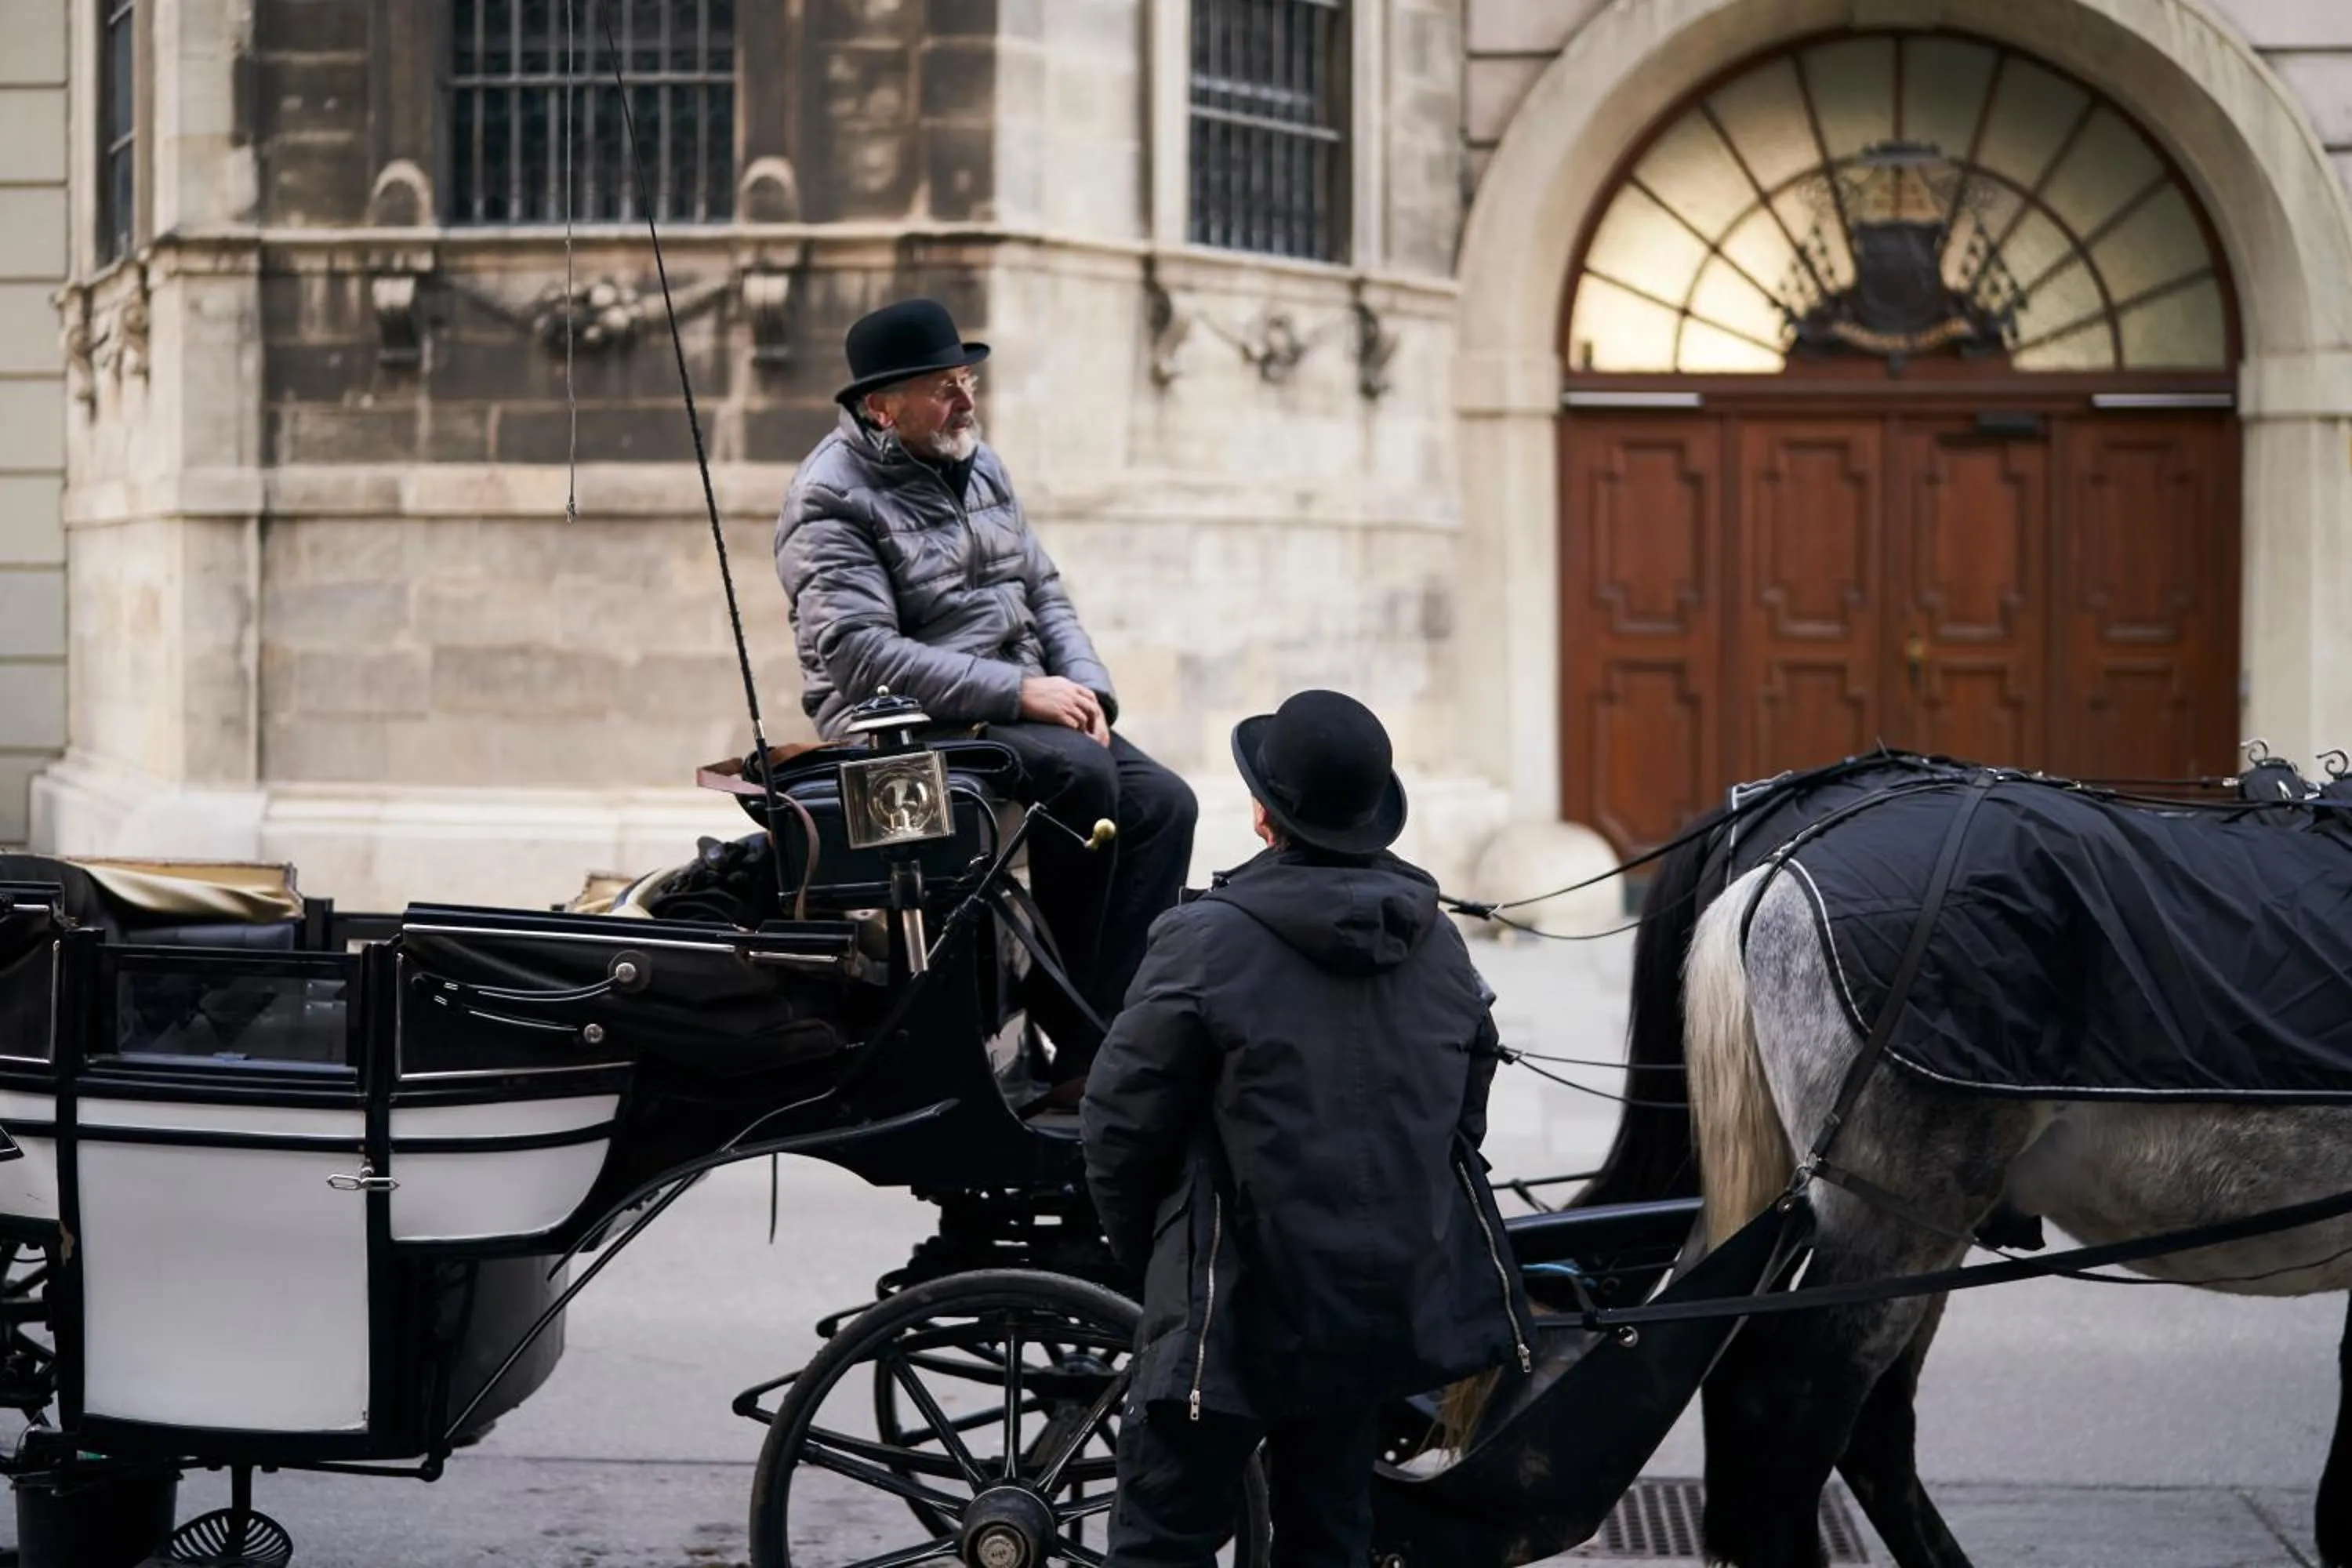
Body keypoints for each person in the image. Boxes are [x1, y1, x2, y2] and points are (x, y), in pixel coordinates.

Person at [1079, 690, 1534, 1568]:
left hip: (1231, 1307)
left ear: (1262, 813)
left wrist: (1154, 1255)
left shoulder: (1203, 940)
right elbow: (1460, 1122)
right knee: (1330, 1536)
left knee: (1162, 1540)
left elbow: (1118, 1126)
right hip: (1369, 1312)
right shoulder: (1440, 946)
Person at [774, 298, 1198, 1087]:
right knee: (1082, 776)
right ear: (881, 406)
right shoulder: (829, 496)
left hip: (1017, 702)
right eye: (944, 387)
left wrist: (1086, 686)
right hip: (901, 720)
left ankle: (1097, 1025)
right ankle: (1079, 1025)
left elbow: (1043, 588)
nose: (967, 401)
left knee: (1166, 803)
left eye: (967, 379)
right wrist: (1023, 692)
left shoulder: (978, 462)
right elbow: (860, 653)